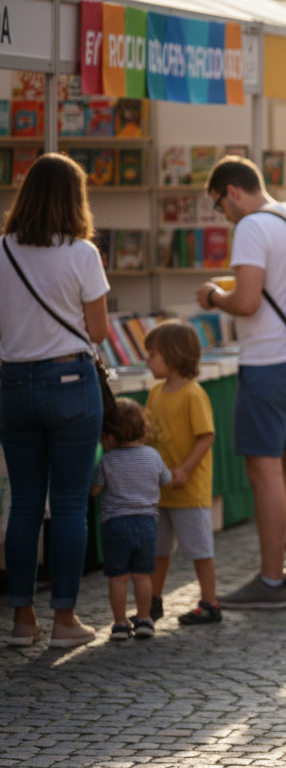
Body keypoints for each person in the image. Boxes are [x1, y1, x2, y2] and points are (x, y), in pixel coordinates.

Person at [195, 156, 286, 609]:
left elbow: (247, 301)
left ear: (232, 190)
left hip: (269, 362)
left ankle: (271, 581)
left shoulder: (252, 226)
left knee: (265, 469)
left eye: (219, 205)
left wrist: (214, 295)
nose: (223, 215)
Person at [1, 152, 108, 649]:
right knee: (67, 505)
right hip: (69, 381)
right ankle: (65, 619)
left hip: (14, 383)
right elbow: (99, 330)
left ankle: (22, 619)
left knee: (23, 504)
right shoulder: (82, 253)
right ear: (74, 199)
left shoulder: (2, 251)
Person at [143, 320, 221, 626]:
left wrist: (186, 470)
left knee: (199, 549)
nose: (147, 360)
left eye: (152, 354)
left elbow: (206, 436)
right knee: (158, 551)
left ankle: (210, 602)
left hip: (189, 491)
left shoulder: (193, 394)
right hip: (160, 491)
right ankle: (153, 601)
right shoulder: (155, 393)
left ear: (173, 355)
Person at [91, 399, 173, 641]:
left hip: (115, 525)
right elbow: (166, 481)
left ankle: (119, 623)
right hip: (147, 524)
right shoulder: (153, 456)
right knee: (142, 575)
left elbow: (94, 490)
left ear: (110, 435)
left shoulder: (108, 461)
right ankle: (145, 619)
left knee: (118, 577)